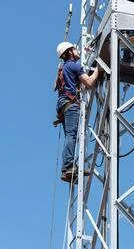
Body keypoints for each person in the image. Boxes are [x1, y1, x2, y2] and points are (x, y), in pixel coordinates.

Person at [55, 41, 99, 182]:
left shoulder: (64, 67)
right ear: (69, 52)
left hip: (63, 103)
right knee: (72, 135)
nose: (78, 50)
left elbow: (78, 84)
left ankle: (66, 170)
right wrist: (100, 67)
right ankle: (68, 166)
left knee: (70, 135)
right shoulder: (74, 65)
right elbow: (90, 83)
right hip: (70, 103)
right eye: (75, 49)